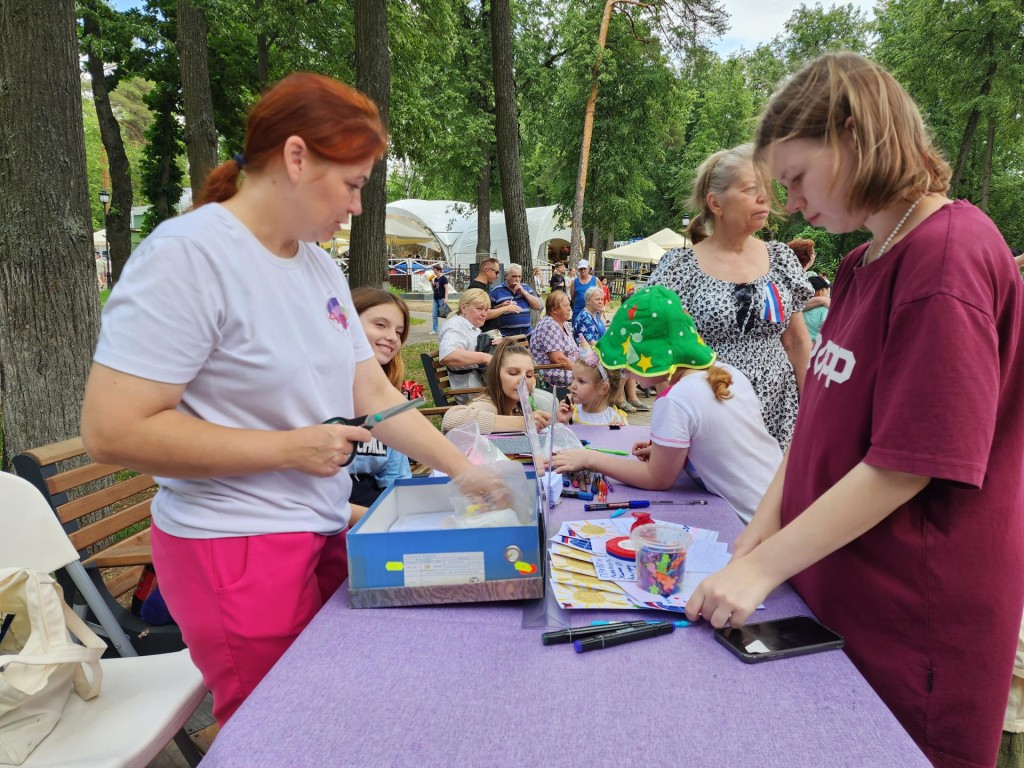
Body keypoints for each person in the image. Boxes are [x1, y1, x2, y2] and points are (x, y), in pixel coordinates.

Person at [79, 73, 494, 726]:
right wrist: (287, 448)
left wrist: (469, 472)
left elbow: (374, 391)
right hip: (234, 547)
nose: (358, 205)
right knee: (276, 731)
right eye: (353, 183)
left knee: (333, 720)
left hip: (319, 530)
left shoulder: (316, 266)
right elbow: (111, 431)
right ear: (297, 158)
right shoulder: (189, 257)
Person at [686, 52, 1024, 768]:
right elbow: (815, 422)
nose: (793, 203)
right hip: (839, 590)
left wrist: (761, 568)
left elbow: (910, 462)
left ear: (851, 135)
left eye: (799, 178)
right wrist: (758, 542)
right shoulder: (860, 262)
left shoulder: (948, 254)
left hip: (914, 616)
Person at [552, 286, 781, 523]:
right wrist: (671, 453)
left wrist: (589, 458)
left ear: (649, 355)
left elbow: (657, 479)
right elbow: (721, 443)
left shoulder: (675, 401)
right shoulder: (728, 372)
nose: (623, 370)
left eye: (626, 361)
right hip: (778, 499)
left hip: (753, 522)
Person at [648, 143, 812, 450]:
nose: (764, 197)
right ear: (716, 203)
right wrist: (671, 422)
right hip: (712, 410)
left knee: (774, 494)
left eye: (765, 187)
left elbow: (797, 341)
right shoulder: (679, 268)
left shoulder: (781, 259)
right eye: (751, 189)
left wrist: (813, 413)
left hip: (778, 411)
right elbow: (655, 347)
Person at [348, 288, 413, 506]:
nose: (392, 337)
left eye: (398, 331)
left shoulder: (389, 403)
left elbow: (397, 482)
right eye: (380, 325)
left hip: (376, 510)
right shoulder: (316, 394)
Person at [441, 343, 558, 434]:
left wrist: (559, 421)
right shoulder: (488, 405)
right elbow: (451, 420)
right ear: (496, 376)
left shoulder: (516, 406)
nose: (523, 381)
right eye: (513, 373)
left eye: (529, 375)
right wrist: (524, 422)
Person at [572, 286, 645, 412]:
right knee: (621, 360)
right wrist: (610, 349)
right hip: (589, 354)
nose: (601, 301)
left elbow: (604, 337)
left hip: (598, 350)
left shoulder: (596, 316)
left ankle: (632, 397)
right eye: (597, 299)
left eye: (602, 299)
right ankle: (619, 399)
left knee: (629, 355)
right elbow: (592, 342)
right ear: (588, 301)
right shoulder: (585, 317)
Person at [438, 288, 494, 404]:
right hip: (472, 396)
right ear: (464, 308)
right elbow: (448, 354)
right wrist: (484, 358)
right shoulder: (456, 324)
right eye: (479, 308)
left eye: (486, 310)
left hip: (482, 390)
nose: (484, 314)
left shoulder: (473, 328)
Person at [556, 349, 628, 427]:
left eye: (581, 381)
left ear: (603, 389)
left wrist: (617, 433)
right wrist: (561, 422)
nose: (573, 385)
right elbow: (558, 437)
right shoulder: (570, 414)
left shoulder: (616, 419)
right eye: (573, 379)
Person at [529, 290, 580, 391]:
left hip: (566, 368)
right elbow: (558, 359)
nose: (569, 309)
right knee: (589, 379)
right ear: (554, 310)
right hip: (552, 372)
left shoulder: (563, 323)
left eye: (569, 305)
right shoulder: (549, 325)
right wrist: (579, 371)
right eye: (565, 306)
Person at [489, 263, 542, 337]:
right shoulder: (497, 291)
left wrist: (524, 293)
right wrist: (502, 307)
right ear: (506, 276)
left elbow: (538, 306)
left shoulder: (525, 288)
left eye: (519, 276)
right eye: (514, 276)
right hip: (506, 335)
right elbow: (489, 312)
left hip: (526, 334)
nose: (517, 279)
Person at [469, 257, 520, 332]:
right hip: (486, 334)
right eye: (496, 272)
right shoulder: (476, 288)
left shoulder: (482, 287)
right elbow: (483, 314)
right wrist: (506, 308)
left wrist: (500, 306)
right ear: (487, 271)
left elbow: (485, 309)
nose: (498, 276)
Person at [802, 275, 830, 342]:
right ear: (821, 292)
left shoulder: (797, 310)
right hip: (817, 347)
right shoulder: (824, 311)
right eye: (827, 292)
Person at [429, 263, 450, 335]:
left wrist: (446, 298)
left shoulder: (443, 278)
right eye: (433, 271)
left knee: (445, 314)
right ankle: (435, 329)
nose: (434, 272)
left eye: (435, 270)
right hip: (435, 298)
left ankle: (449, 328)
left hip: (442, 298)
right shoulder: (435, 279)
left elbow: (446, 288)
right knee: (434, 315)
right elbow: (434, 289)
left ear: (439, 270)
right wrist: (431, 281)